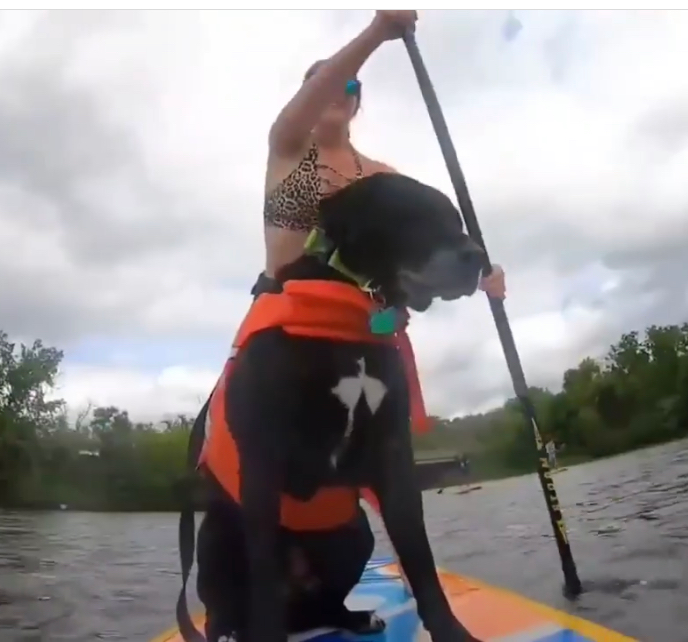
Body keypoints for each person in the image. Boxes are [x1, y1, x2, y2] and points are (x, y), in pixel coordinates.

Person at [192, 10, 508, 638]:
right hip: (289, 333)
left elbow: (425, 249)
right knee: (246, 480)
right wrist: (373, 36)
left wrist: (480, 275)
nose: (339, 89)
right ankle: (253, 617)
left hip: (366, 338)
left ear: (360, 105)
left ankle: (381, 608)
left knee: (369, 506)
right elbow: (294, 117)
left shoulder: (382, 178)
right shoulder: (294, 158)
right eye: (325, 80)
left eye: (350, 87)